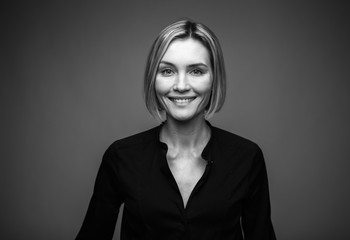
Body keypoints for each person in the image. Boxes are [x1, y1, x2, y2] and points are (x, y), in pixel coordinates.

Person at [76, 18, 276, 240]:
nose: (181, 86)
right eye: (168, 71)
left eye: (196, 71)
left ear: (214, 79)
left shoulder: (247, 157)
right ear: (153, 78)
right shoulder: (121, 156)